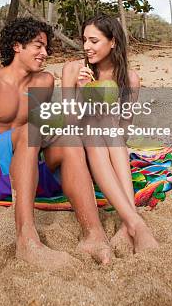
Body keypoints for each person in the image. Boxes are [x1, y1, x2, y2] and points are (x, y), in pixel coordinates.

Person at [0, 17, 111, 268]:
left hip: (20, 168)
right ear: (17, 46)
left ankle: (93, 234)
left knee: (67, 139)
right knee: (32, 131)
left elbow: (42, 130)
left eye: (46, 48)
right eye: (38, 46)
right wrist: (31, 135)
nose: (45, 53)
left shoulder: (44, 81)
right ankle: (26, 240)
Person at [62, 13, 159, 254]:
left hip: (111, 148)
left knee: (107, 127)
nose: (86, 47)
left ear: (112, 42)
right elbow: (68, 122)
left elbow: (125, 128)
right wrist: (84, 93)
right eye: (84, 40)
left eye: (93, 41)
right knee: (97, 125)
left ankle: (129, 225)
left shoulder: (129, 79)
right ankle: (135, 222)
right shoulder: (74, 70)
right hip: (77, 142)